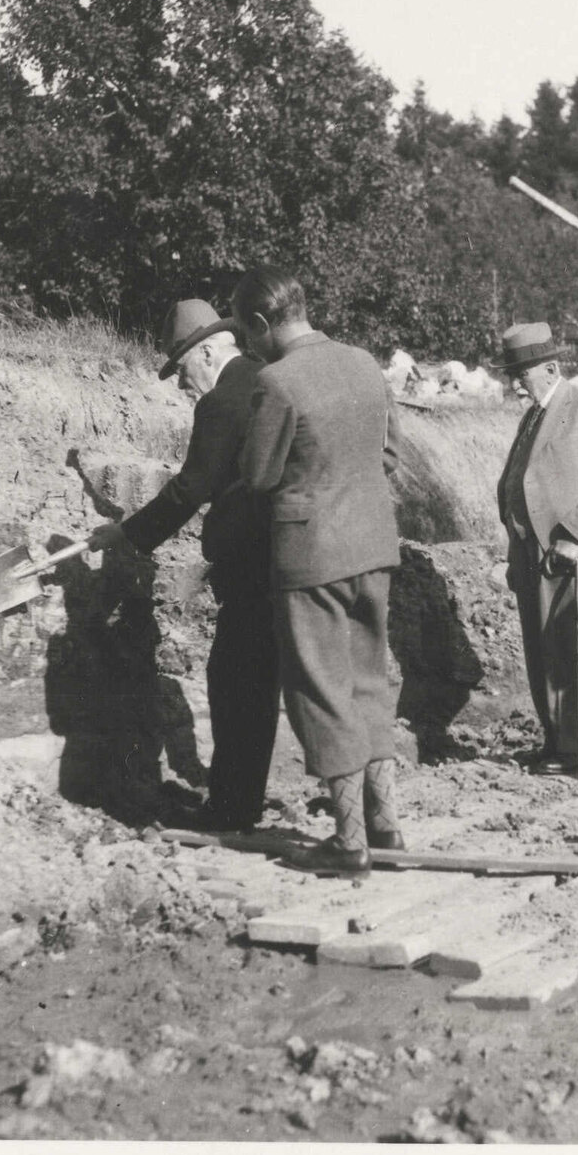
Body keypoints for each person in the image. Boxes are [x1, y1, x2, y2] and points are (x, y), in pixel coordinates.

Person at [85, 299, 279, 833]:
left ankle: (231, 809)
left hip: (253, 565)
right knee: (259, 685)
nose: (179, 382)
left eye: (183, 366)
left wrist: (128, 532)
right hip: (287, 557)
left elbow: (191, 487)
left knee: (235, 681)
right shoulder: (267, 379)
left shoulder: (223, 401)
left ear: (211, 350)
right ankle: (245, 802)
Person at [235, 265, 403, 876]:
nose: (247, 346)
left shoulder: (275, 382)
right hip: (374, 544)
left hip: (312, 555)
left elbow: (257, 476)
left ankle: (349, 841)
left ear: (260, 323)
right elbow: (389, 451)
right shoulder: (364, 362)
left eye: (247, 333)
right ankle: (386, 825)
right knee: (368, 681)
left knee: (320, 689)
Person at [493, 322, 578, 772]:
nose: (514, 384)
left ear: (550, 368)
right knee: (540, 650)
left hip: (568, 555)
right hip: (531, 553)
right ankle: (555, 741)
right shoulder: (531, 415)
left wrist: (572, 538)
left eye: (521, 373)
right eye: (511, 374)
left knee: (568, 650)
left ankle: (576, 749)